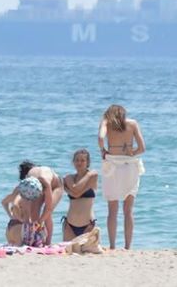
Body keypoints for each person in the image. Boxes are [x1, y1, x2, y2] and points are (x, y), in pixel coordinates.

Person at [97, 104, 146, 250]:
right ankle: (127, 247)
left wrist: (103, 151)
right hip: (129, 165)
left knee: (112, 210)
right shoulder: (132, 124)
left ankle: (112, 245)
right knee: (128, 210)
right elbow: (142, 148)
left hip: (112, 166)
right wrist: (133, 151)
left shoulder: (107, 123)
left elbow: (100, 137)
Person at [61, 147, 99, 241]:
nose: (79, 163)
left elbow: (76, 192)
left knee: (87, 252)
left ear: (87, 162)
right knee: (67, 253)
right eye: (77, 160)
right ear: (73, 162)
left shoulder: (92, 176)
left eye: (83, 160)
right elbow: (75, 189)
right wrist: (88, 176)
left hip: (88, 225)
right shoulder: (69, 177)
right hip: (70, 225)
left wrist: (66, 189)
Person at [0, 174, 48, 247]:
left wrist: (11, 215)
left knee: (14, 245)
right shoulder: (25, 195)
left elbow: (4, 202)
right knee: (42, 233)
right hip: (22, 229)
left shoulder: (15, 193)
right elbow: (15, 205)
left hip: (11, 227)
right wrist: (21, 219)